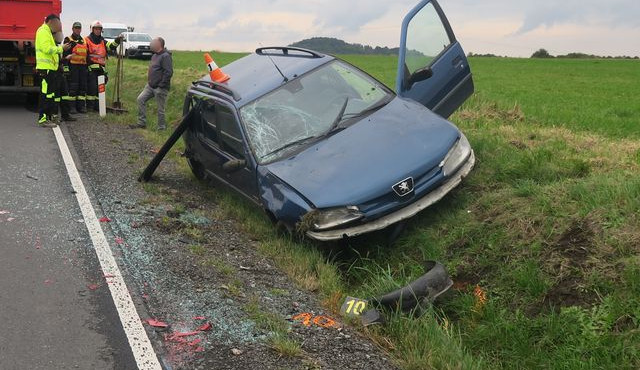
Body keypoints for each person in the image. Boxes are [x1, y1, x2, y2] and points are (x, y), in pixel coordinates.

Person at [35, 14, 72, 127]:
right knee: (45, 95)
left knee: (50, 95)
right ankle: (43, 118)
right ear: (51, 22)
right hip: (45, 70)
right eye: (57, 24)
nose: (57, 27)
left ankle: (49, 117)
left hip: (50, 70)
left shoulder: (48, 32)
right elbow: (46, 49)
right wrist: (61, 48)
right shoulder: (43, 31)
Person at [132, 37, 173, 130]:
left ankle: (161, 128)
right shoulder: (154, 56)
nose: (151, 44)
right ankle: (141, 123)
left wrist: (161, 85)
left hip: (160, 88)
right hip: (150, 86)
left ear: (159, 45)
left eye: (153, 43)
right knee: (140, 99)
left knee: (160, 109)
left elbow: (169, 72)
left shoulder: (166, 56)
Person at [85, 20, 122, 112]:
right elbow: (84, 54)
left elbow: (112, 46)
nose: (98, 31)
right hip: (91, 69)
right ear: (92, 30)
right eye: (96, 29)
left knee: (100, 89)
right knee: (92, 89)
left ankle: (98, 107)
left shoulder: (103, 41)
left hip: (101, 70)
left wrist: (117, 39)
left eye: (99, 29)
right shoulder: (86, 40)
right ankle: (90, 107)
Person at [63, 22, 88, 113]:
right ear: (72, 29)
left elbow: (87, 55)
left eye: (79, 28)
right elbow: (65, 55)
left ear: (81, 29)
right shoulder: (68, 39)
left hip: (82, 67)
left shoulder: (84, 41)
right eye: (76, 28)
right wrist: (66, 68)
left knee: (82, 87)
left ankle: (81, 107)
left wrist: (87, 67)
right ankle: (72, 107)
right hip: (72, 67)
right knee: (73, 87)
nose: (78, 29)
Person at [53, 30, 76, 122]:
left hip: (60, 73)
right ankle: (55, 115)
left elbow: (59, 61)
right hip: (55, 74)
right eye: (59, 36)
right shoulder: (53, 48)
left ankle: (65, 115)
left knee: (65, 94)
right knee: (56, 96)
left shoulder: (58, 46)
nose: (60, 37)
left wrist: (66, 59)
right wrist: (66, 58)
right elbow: (54, 62)